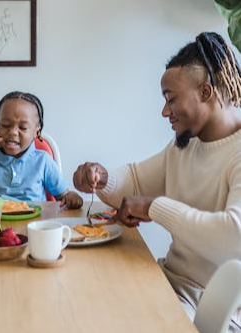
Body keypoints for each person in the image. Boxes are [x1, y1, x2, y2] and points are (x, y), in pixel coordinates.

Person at [72, 32, 241, 332]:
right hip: (170, 283)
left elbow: (232, 237)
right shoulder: (185, 146)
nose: (165, 112)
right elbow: (136, 181)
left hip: (214, 307)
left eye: (171, 99)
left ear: (205, 92)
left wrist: (154, 207)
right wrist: (102, 176)